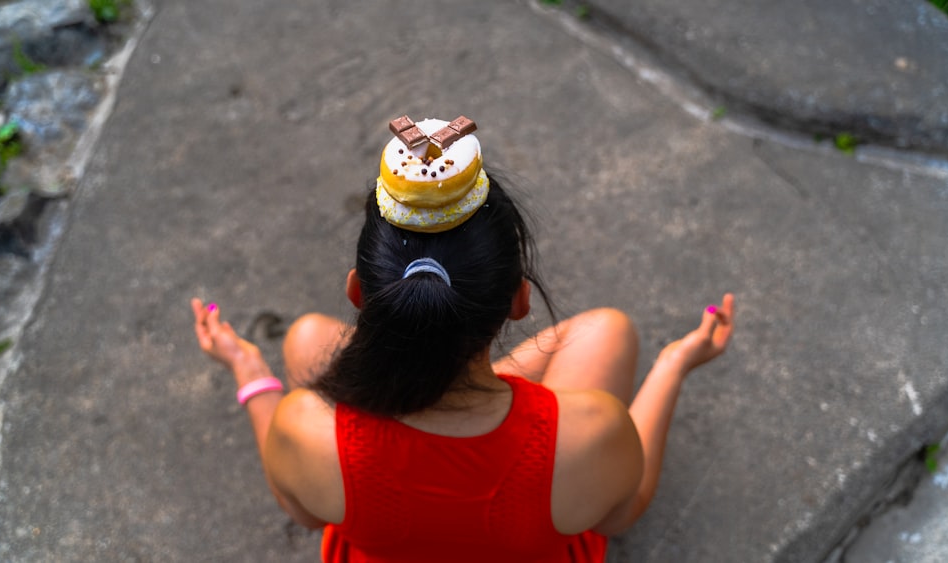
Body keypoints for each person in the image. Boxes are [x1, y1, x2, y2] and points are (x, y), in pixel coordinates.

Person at [191, 116, 734, 562]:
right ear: (519, 301)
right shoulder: (590, 433)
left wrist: (248, 370)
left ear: (359, 292)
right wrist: (673, 364)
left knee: (307, 337)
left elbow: (304, 514)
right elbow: (622, 511)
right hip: (535, 486)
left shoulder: (304, 427)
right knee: (609, 331)